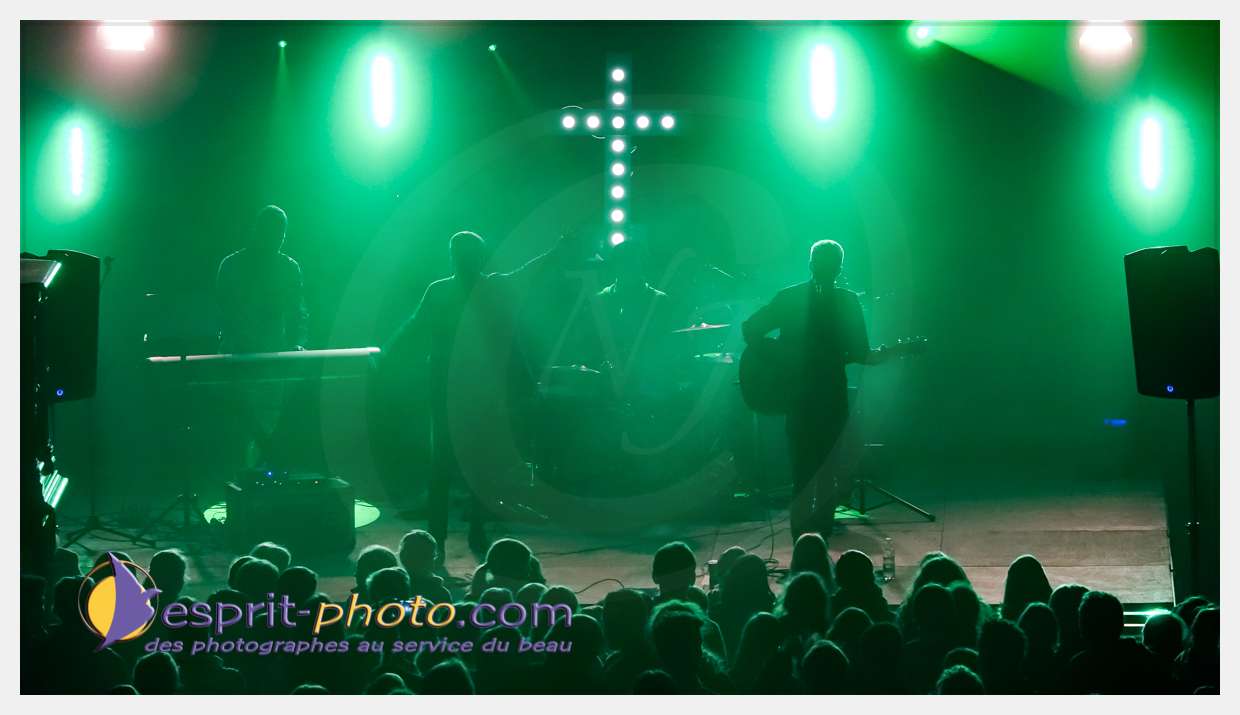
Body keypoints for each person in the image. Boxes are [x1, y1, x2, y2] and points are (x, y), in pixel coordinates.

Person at [742, 239, 885, 539]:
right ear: (839, 268)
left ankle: (805, 544)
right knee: (823, 472)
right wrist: (783, 357)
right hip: (823, 396)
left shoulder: (791, 297)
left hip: (806, 398)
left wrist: (778, 356)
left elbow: (751, 329)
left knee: (805, 471)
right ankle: (816, 541)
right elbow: (861, 351)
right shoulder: (844, 300)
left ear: (812, 264)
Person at [216, 205, 308, 468]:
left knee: (270, 421)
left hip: (273, 360)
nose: (277, 238)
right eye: (272, 231)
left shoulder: (289, 268)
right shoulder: (232, 265)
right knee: (244, 424)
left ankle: (262, 479)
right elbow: (224, 312)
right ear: (257, 230)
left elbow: (299, 311)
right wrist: (238, 344)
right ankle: (245, 483)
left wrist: (298, 344)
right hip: (239, 360)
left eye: (282, 233)